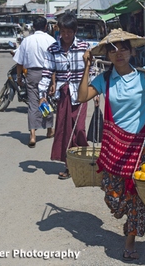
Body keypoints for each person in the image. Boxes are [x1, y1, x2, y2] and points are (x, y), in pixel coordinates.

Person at [77, 29, 145, 260]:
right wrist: (87, 66)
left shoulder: (143, 76)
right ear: (108, 55)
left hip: (141, 148)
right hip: (114, 148)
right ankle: (127, 219)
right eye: (113, 49)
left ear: (131, 51)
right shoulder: (105, 80)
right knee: (114, 197)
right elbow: (81, 97)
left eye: (123, 48)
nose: (118, 53)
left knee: (138, 198)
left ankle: (130, 239)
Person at [37, 13, 90, 180]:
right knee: (65, 130)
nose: (66, 35)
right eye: (63, 32)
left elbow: (92, 70)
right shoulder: (53, 49)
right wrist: (42, 94)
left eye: (69, 32)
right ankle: (69, 165)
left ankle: (83, 161)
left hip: (80, 94)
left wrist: (94, 92)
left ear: (74, 31)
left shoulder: (84, 46)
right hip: (63, 94)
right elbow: (46, 73)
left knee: (79, 129)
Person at [13, 16, 55, 147]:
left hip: (31, 73)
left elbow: (19, 62)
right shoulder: (51, 40)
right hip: (47, 74)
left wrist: (19, 77)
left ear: (33, 27)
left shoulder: (27, 41)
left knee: (32, 103)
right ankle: (49, 129)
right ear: (45, 27)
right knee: (45, 100)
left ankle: (32, 135)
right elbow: (54, 63)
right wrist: (53, 81)